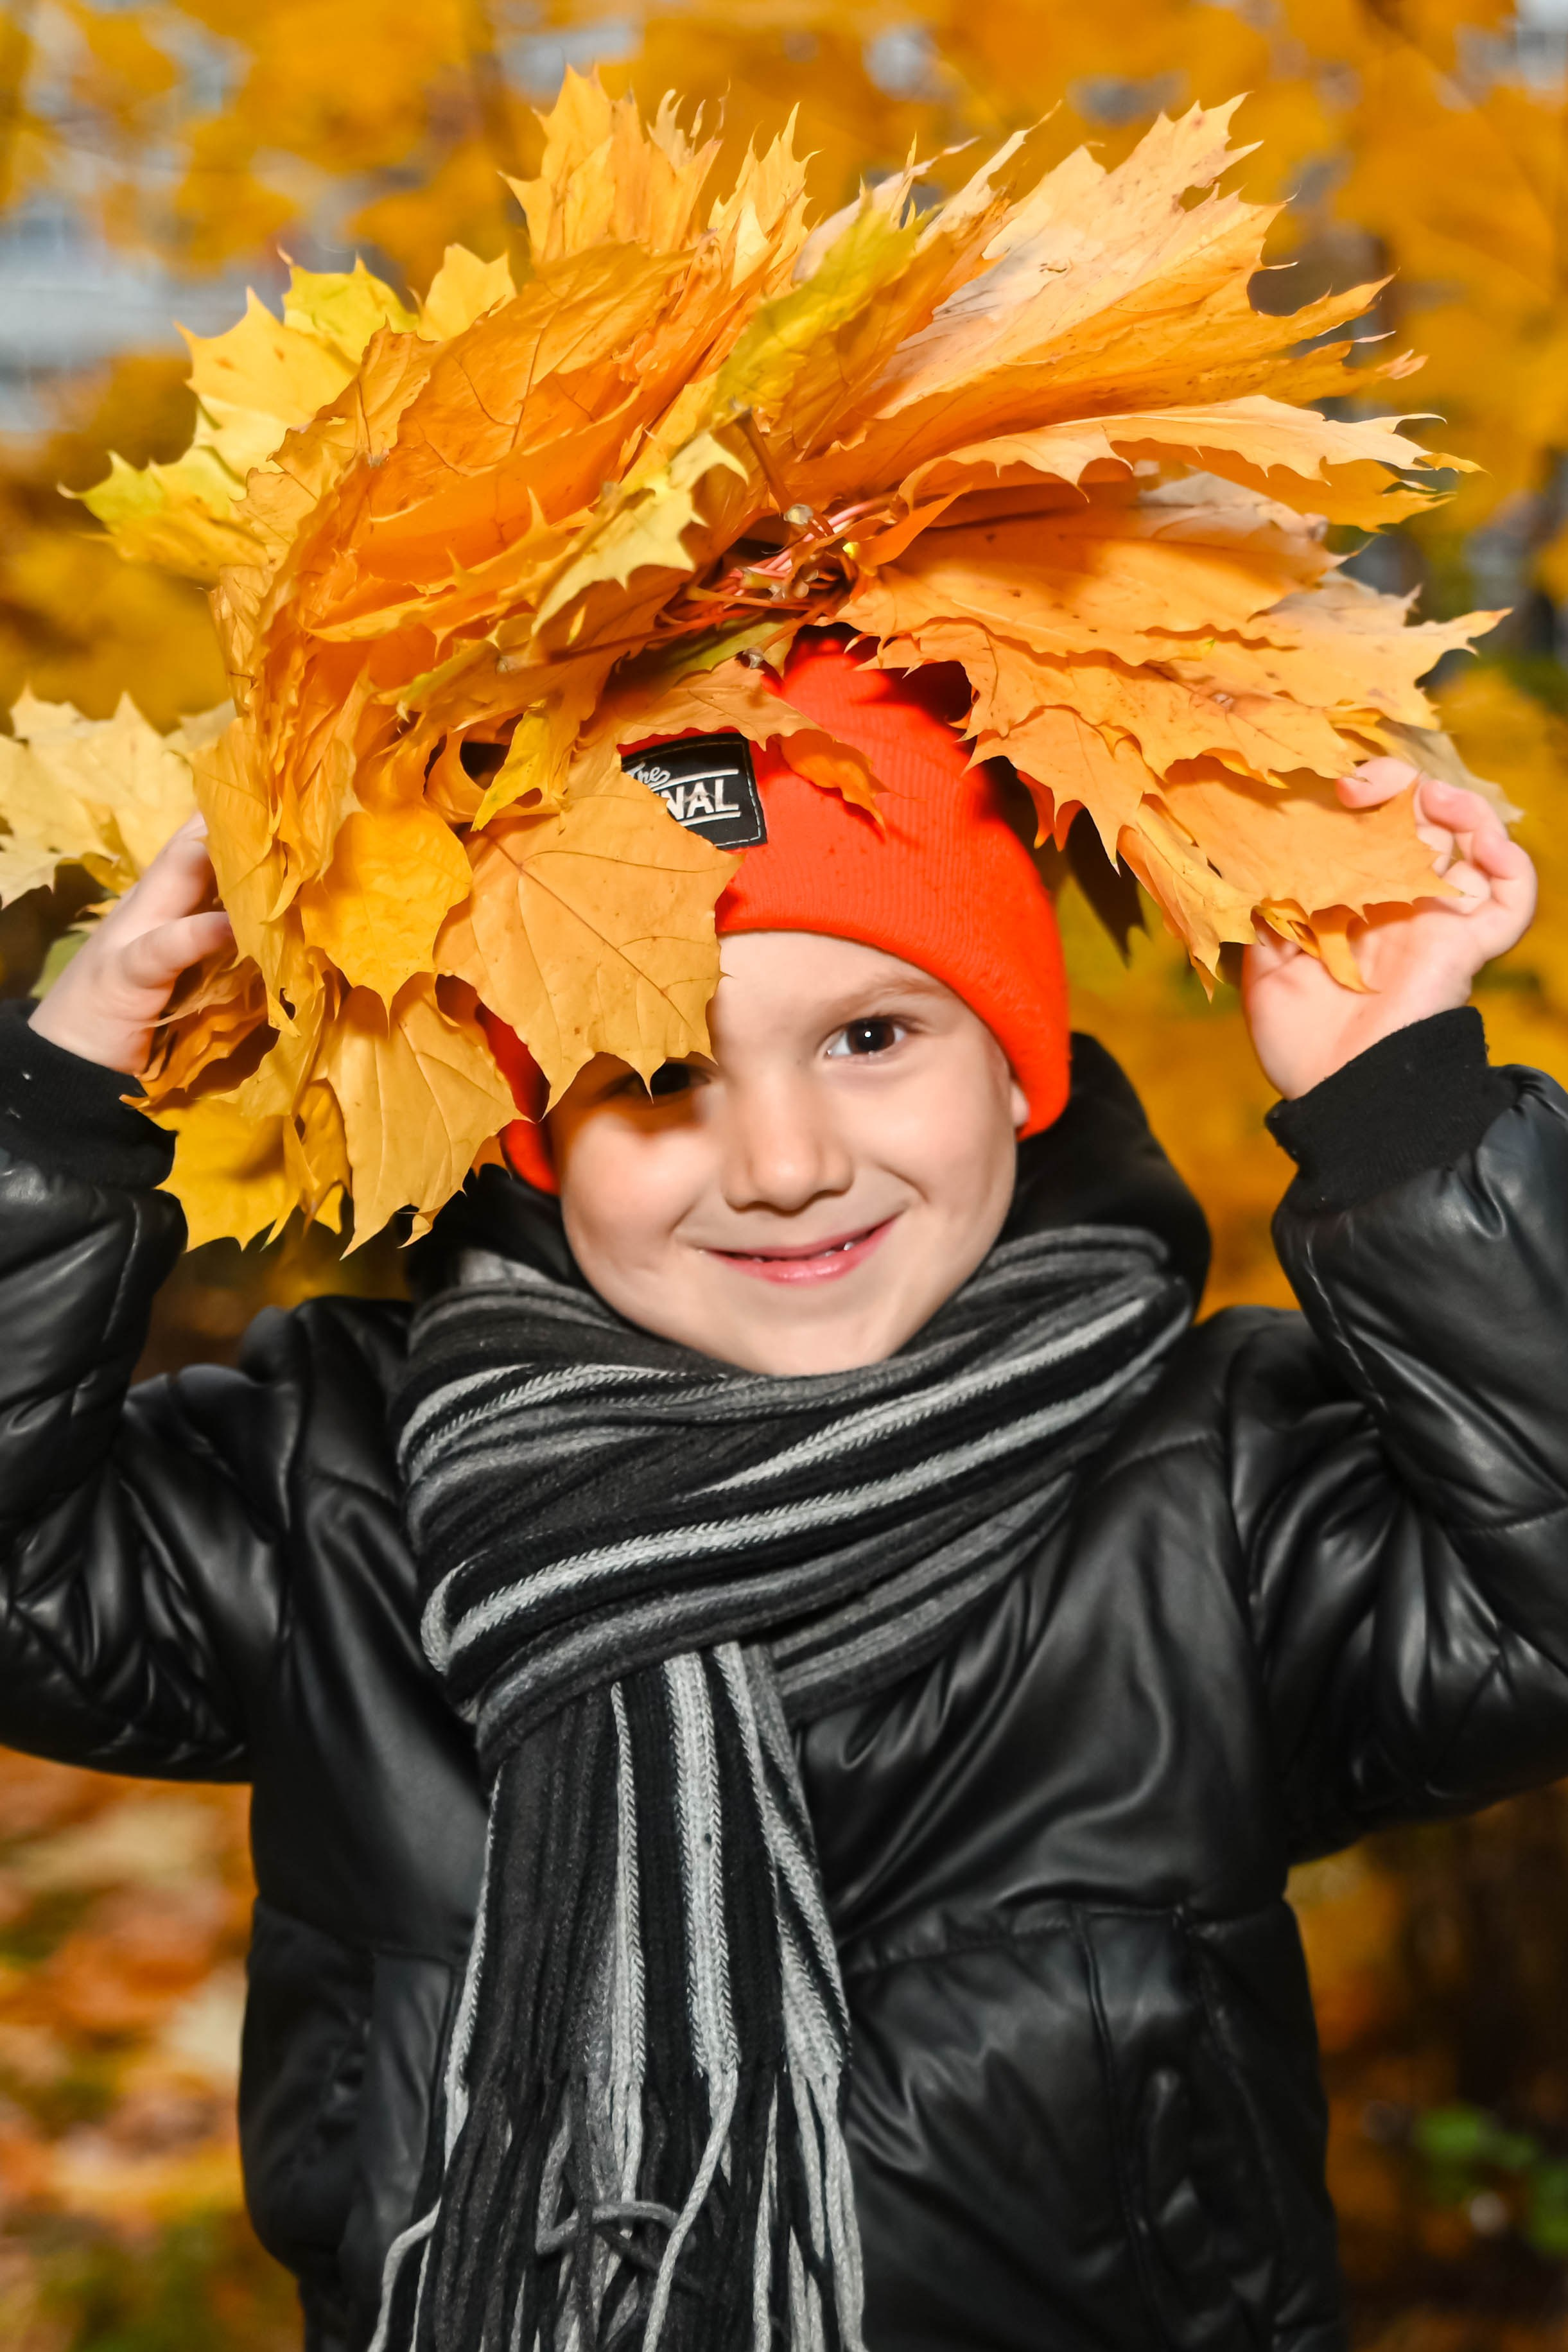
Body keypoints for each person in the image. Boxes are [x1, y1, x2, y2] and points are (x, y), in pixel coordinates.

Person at [0, 628, 1560, 2352]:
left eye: (871, 1034)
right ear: (535, 1129)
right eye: (657, 1075)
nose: (786, 1164)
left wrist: (1397, 1104)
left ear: (1016, 1066)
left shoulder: (1205, 1490)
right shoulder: (345, 1489)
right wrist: (52, 1120)